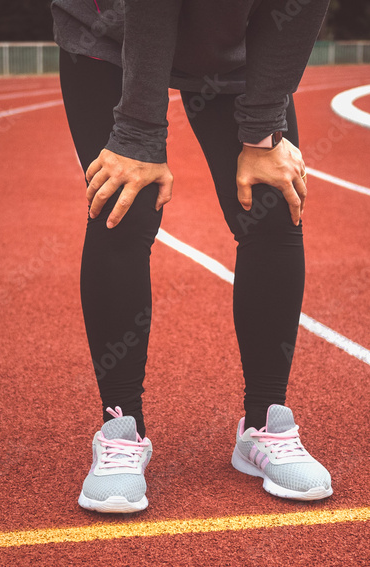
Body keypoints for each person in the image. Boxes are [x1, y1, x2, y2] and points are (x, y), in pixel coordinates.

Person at [52, 0, 333, 513]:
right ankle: (122, 427)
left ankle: (262, 424)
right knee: (124, 203)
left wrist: (262, 129)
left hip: (229, 40)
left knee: (272, 205)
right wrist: (137, 133)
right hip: (112, 28)